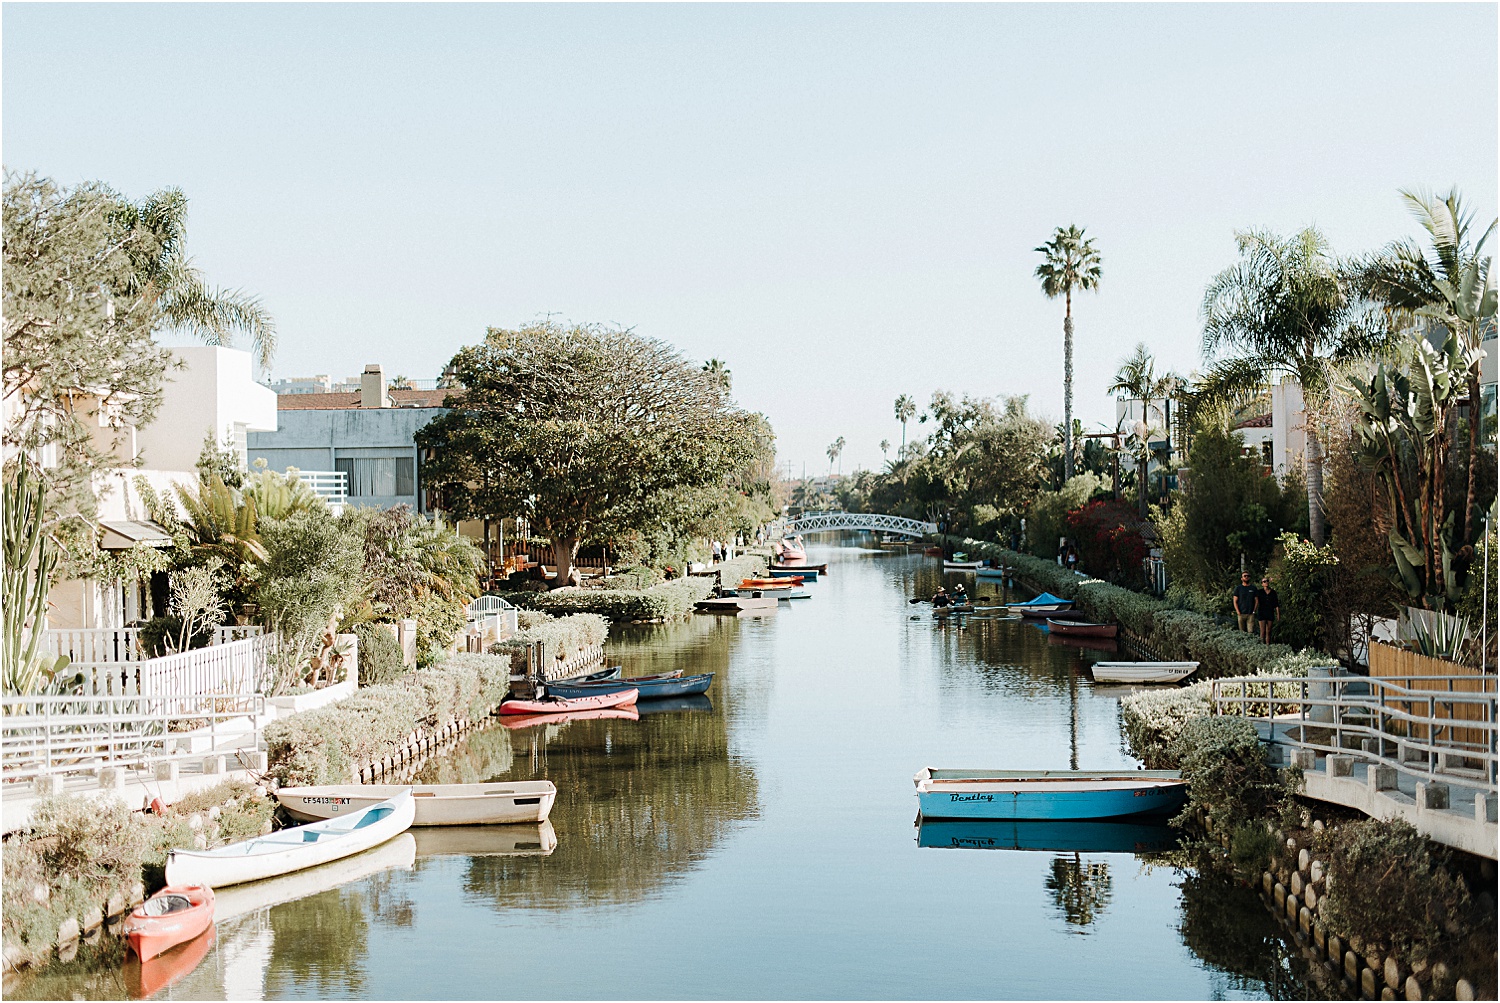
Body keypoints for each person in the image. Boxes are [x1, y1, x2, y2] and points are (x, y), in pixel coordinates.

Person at [1255, 576, 1280, 643]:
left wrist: (1278, 614)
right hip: (1262, 612)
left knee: (1269, 631)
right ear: (1262, 584)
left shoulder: (1273, 592)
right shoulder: (1259, 592)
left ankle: (1268, 645)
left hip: (1270, 612)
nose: (1266, 582)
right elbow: (1256, 601)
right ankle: (1261, 646)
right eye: (1264, 581)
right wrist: (1254, 610)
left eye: (1267, 581)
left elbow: (1276, 604)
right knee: (1262, 631)